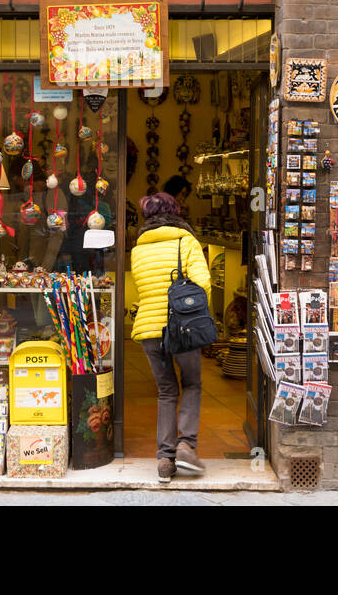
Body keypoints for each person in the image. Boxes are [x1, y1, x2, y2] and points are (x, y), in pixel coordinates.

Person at [129, 191, 212, 483]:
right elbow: (203, 284)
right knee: (192, 383)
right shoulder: (186, 241)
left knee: (166, 392)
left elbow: (143, 288)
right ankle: (186, 445)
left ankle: (165, 459)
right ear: (175, 211)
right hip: (183, 328)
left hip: (149, 329)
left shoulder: (138, 249)